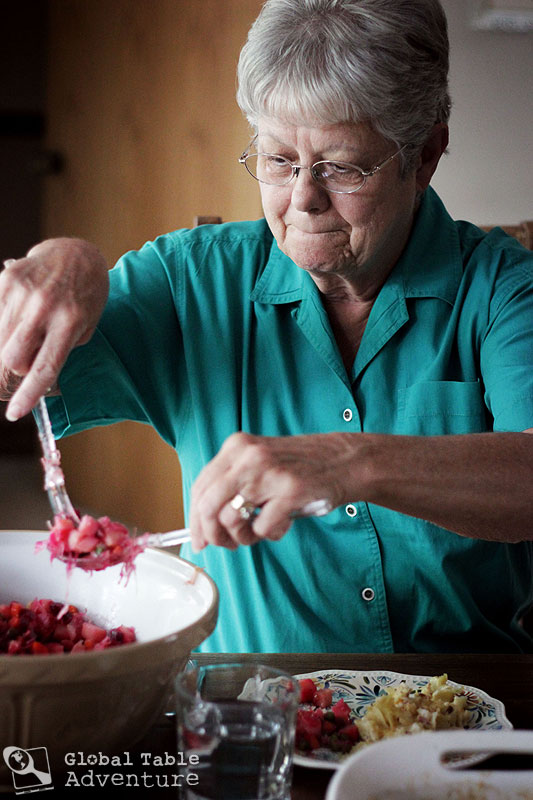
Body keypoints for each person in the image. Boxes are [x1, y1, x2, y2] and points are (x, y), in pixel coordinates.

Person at [0, 0, 532, 654]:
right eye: (278, 160)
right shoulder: (191, 279)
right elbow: (12, 384)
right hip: (249, 715)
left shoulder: (506, 286)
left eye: (341, 167)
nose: (302, 199)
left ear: (423, 154)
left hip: (469, 712)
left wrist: (350, 462)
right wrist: (60, 261)